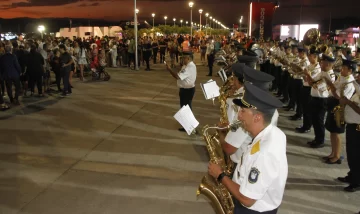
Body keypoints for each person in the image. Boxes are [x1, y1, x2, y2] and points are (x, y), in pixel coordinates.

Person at [208, 82, 287, 214]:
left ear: (257, 117)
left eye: (243, 111)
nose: (239, 116)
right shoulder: (274, 133)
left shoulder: (264, 153)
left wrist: (220, 175)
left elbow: (247, 199)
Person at [323, 59, 356, 164]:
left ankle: (337, 156)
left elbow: (339, 96)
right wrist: (331, 86)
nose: (342, 69)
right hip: (333, 105)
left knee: (337, 132)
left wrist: (330, 85)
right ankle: (333, 153)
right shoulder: (342, 78)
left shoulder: (349, 82)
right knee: (332, 131)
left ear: (350, 70)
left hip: (340, 108)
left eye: (344, 68)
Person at [337, 67, 360, 192]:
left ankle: (357, 182)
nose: (357, 77)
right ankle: (352, 176)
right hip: (352, 126)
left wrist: (348, 102)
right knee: (351, 154)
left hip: (358, 128)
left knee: (357, 156)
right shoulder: (357, 91)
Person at [307, 54, 336, 148]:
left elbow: (316, 86)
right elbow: (311, 82)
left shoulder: (329, 75)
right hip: (315, 98)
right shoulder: (323, 72)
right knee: (315, 120)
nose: (320, 63)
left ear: (327, 64)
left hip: (321, 100)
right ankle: (317, 138)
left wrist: (308, 74)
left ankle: (320, 141)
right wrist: (308, 77)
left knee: (319, 120)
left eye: (322, 62)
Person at [165, 53, 197, 132]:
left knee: (187, 108)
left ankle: (191, 126)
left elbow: (177, 76)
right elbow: (180, 74)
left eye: (184, 58)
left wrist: (169, 69)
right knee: (184, 108)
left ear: (188, 58)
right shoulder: (186, 66)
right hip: (184, 89)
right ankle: (187, 126)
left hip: (187, 90)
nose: (182, 60)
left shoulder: (190, 67)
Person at [296, 47, 321, 133]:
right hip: (304, 87)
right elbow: (305, 78)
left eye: (310, 56)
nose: (309, 57)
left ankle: (307, 126)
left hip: (310, 89)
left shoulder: (318, 68)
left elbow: (311, 81)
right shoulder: (309, 65)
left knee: (308, 109)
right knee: (304, 107)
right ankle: (304, 125)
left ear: (315, 56)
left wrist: (306, 75)